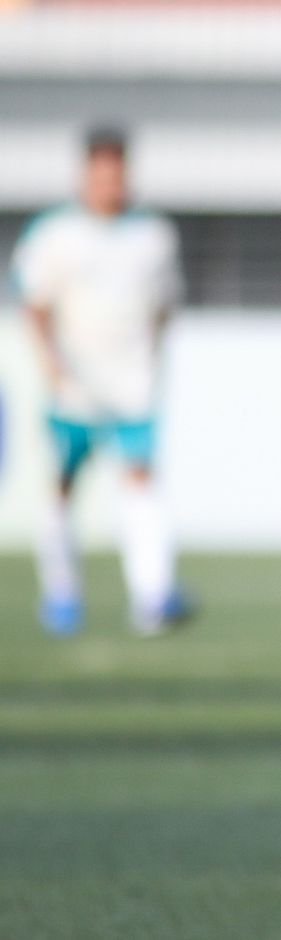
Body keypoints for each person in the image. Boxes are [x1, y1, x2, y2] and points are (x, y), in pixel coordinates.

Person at [11, 126, 190, 636]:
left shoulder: (152, 234)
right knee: (64, 486)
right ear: (85, 174)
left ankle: (152, 596)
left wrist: (151, 361)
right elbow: (36, 302)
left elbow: (165, 305)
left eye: (117, 174)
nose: (109, 184)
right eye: (100, 174)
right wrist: (51, 360)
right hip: (73, 386)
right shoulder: (55, 232)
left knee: (140, 478)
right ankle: (62, 592)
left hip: (131, 385)